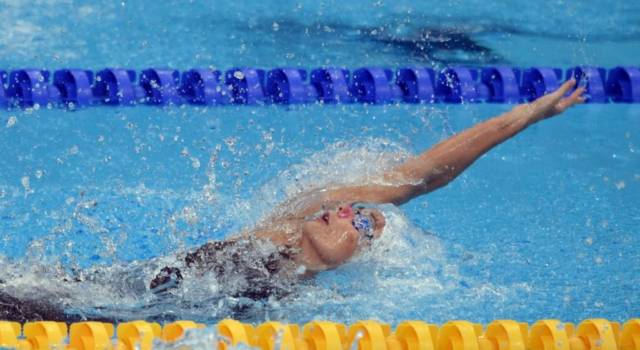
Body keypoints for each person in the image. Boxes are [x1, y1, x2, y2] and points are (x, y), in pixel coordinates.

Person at [148, 79, 586, 300]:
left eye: (361, 221)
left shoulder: (303, 295)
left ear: (362, 255)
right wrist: (525, 115)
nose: (343, 210)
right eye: (351, 208)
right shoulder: (283, 230)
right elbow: (428, 174)